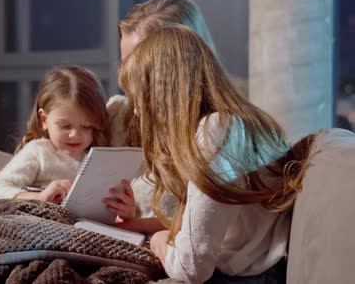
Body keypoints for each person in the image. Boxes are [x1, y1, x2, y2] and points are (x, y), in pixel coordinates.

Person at [118, 24, 316, 283]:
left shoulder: (217, 132)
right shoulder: (233, 124)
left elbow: (191, 269)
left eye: (139, 99)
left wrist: (159, 241)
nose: (137, 112)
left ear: (160, 94)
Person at [104, 0, 218, 231]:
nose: (129, 73)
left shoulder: (210, 136)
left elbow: (199, 229)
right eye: (125, 62)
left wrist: (131, 225)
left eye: (138, 62)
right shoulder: (117, 114)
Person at [0, 65, 113, 213]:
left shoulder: (96, 158)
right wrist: (39, 197)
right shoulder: (39, 151)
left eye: (86, 126)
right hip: (35, 228)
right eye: (65, 126)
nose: (75, 134)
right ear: (44, 120)